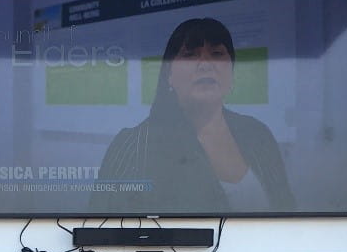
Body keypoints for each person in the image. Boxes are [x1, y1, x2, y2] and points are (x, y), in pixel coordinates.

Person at [92, 17, 295, 216]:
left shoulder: (257, 134)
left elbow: (288, 212)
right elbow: (102, 226)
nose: (205, 64)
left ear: (232, 73)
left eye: (217, 54)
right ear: (168, 76)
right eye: (190, 55)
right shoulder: (134, 145)